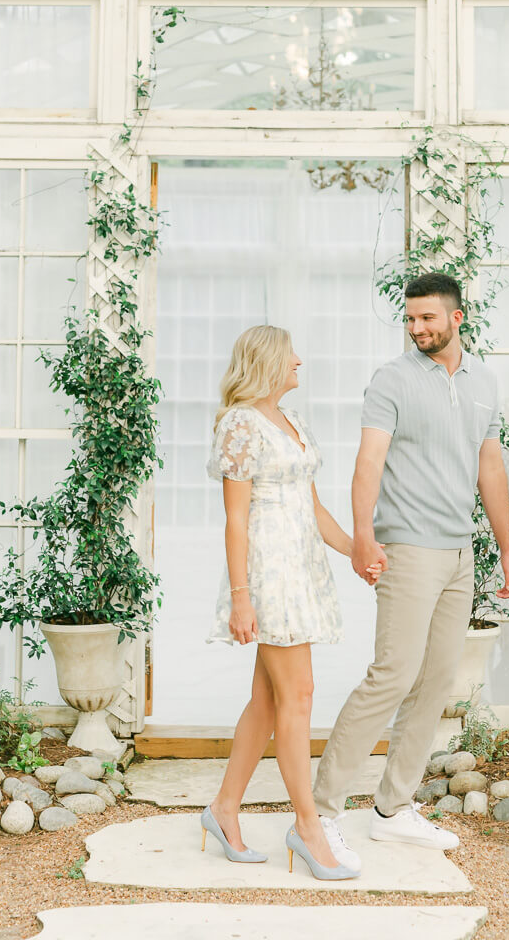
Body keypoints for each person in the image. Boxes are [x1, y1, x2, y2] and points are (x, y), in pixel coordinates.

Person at [312, 272, 509, 861]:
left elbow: (491, 468)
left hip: (460, 552)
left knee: (435, 684)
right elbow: (368, 462)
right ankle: (321, 812)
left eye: (427, 318)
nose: (417, 328)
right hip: (406, 548)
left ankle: (392, 808)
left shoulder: (484, 381)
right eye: (410, 319)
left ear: (457, 318)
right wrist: (361, 538)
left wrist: (505, 547)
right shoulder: (393, 379)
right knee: (392, 676)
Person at [200, 324, 380, 880]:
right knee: (297, 695)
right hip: (268, 573)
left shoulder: (292, 421)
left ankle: (223, 809)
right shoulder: (240, 424)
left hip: (304, 569)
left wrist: (355, 550)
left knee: (270, 701)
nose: (300, 361)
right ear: (269, 362)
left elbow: (314, 506)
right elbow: (235, 520)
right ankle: (307, 827)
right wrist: (240, 598)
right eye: (291, 355)